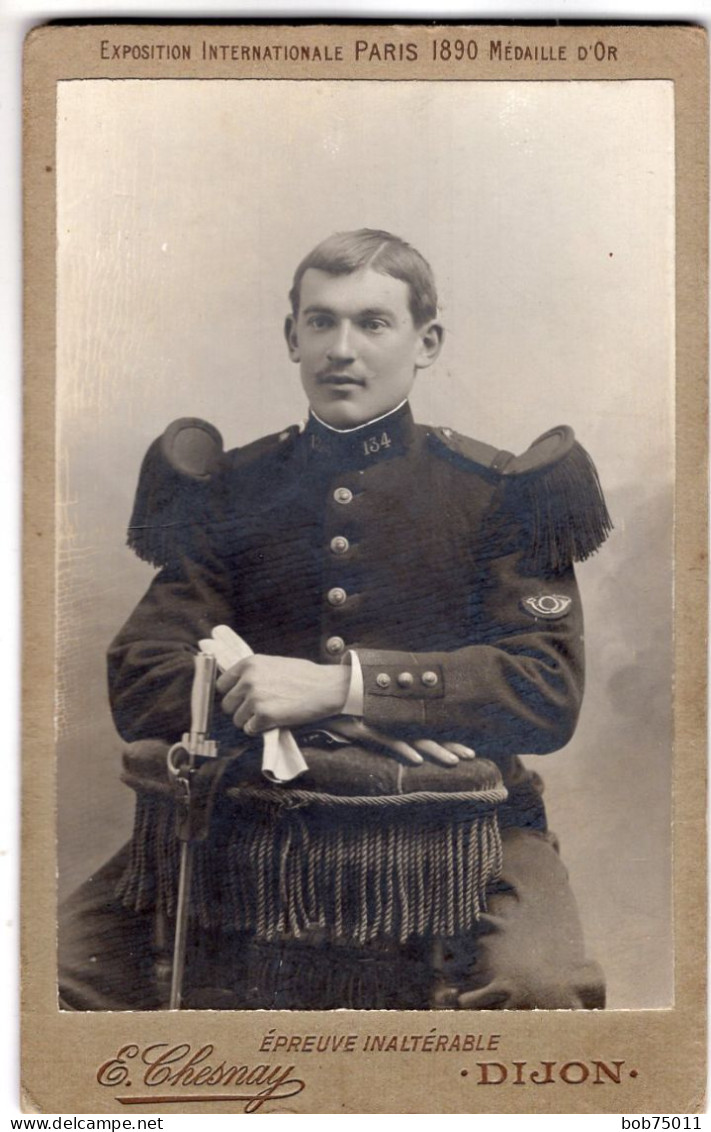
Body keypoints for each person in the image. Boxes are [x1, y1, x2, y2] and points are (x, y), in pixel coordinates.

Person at [60, 229, 611, 1012]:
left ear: (427, 342)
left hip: (462, 829)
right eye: (320, 322)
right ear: (292, 337)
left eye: (372, 323)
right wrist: (274, 699)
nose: (340, 349)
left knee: (539, 992)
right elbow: (142, 676)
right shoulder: (232, 488)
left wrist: (340, 690)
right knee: (51, 984)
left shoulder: (497, 493)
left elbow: (545, 691)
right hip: (243, 818)